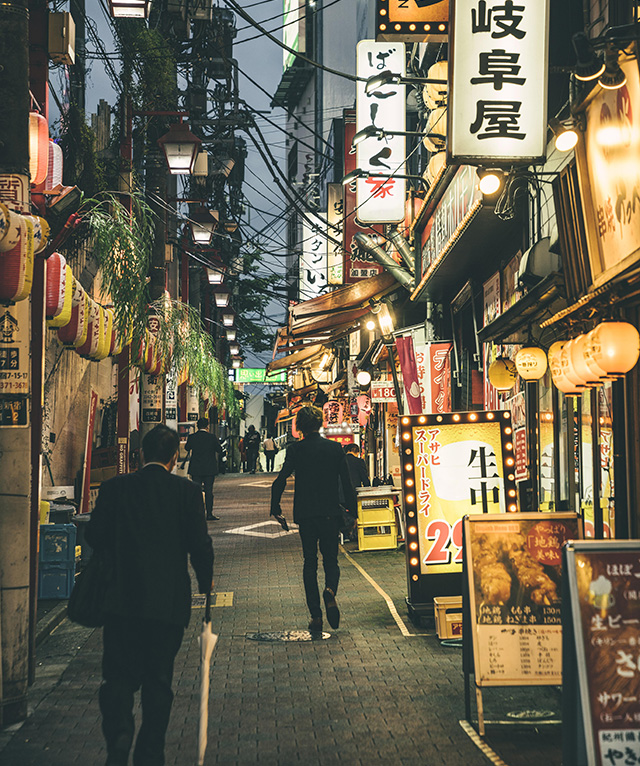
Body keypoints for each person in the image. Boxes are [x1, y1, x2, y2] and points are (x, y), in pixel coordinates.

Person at [86, 424, 214, 766]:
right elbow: (200, 544)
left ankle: (119, 736)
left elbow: (94, 535)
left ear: (141, 454)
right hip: (166, 604)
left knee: (117, 677)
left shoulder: (115, 489)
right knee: (159, 680)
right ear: (175, 458)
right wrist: (206, 583)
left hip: (120, 601)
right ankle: (150, 750)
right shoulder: (186, 493)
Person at [270, 405, 357, 632]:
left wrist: (275, 507)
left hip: (306, 514)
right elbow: (347, 485)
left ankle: (316, 617)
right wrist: (353, 513)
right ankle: (330, 590)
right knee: (331, 560)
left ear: (299, 426)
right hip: (330, 513)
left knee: (310, 563)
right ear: (320, 424)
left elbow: (280, 480)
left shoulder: (296, 450)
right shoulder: (335, 449)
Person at [182, 417, 223, 520]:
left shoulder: (192, 437)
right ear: (207, 426)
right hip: (209, 468)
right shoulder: (212, 437)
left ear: (197, 426)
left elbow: (187, 448)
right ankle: (209, 514)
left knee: (196, 491)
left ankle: (197, 513)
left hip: (196, 468)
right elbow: (219, 449)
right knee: (209, 491)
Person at [341, 443, 370, 541]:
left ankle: (344, 535)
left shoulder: (340, 461)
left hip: (340, 495)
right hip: (353, 494)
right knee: (356, 513)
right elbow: (364, 478)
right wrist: (368, 489)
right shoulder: (359, 462)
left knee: (343, 514)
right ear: (357, 452)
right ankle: (355, 534)